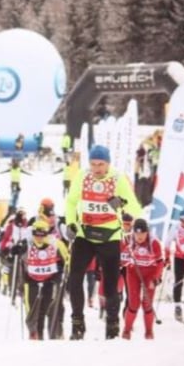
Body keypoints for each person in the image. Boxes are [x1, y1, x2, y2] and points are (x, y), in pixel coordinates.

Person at [64, 144, 142, 339]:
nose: (97, 169)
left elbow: (134, 206)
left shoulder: (117, 179)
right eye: (93, 164)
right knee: (74, 279)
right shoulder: (82, 176)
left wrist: (123, 206)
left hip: (109, 236)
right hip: (85, 234)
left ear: (108, 163)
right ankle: (77, 323)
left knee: (110, 285)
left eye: (100, 164)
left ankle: (112, 325)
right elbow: (71, 202)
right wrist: (71, 223)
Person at [23, 219, 70, 339]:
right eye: (36, 235)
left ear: (47, 233)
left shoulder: (55, 243)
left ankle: (50, 333)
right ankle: (34, 333)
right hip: (31, 279)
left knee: (47, 307)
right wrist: (13, 252)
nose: (38, 238)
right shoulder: (27, 242)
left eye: (42, 235)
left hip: (49, 280)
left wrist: (63, 270)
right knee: (32, 308)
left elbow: (67, 259)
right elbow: (16, 255)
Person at [122, 219, 163, 339]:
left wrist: (156, 278)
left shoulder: (154, 242)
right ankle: (127, 330)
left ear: (147, 232)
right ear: (133, 232)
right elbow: (120, 255)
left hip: (150, 273)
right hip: (133, 272)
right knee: (133, 303)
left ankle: (149, 332)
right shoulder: (128, 240)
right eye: (137, 233)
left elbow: (160, 262)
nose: (139, 236)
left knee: (147, 303)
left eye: (142, 234)